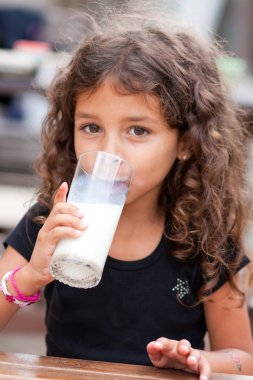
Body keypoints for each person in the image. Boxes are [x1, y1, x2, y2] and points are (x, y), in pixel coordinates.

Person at [0, 8, 253, 380]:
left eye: (138, 131)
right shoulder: (51, 220)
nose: (109, 151)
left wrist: (201, 360)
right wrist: (30, 276)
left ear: (185, 142)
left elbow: (243, 357)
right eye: (91, 126)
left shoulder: (209, 241)